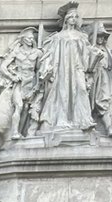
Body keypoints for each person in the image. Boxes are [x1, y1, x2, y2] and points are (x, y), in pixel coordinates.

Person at [39, 2, 96, 132]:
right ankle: (61, 120)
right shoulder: (58, 37)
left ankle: (84, 119)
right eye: (71, 17)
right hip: (62, 70)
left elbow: (87, 54)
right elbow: (50, 54)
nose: (74, 19)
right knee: (62, 93)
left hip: (77, 69)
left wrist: (94, 53)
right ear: (66, 19)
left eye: (76, 17)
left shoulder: (82, 36)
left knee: (81, 90)